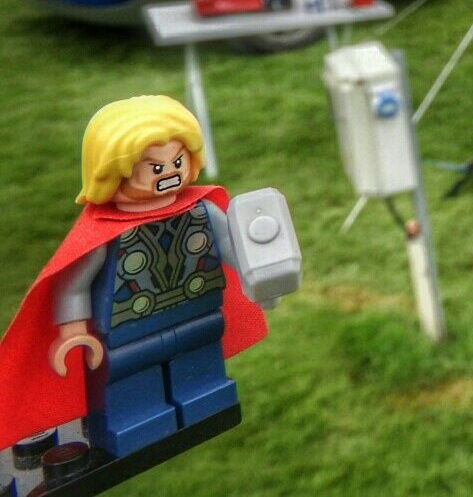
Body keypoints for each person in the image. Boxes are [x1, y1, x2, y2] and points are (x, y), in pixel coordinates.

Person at [0, 96, 273, 457]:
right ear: (113, 171)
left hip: (199, 311)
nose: (170, 172)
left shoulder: (203, 211)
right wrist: (73, 330)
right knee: (129, 372)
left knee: (200, 355)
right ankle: (133, 420)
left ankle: (204, 393)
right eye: (155, 167)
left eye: (177, 161)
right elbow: (74, 284)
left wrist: (261, 276)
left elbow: (230, 247)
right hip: (128, 326)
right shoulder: (107, 234)